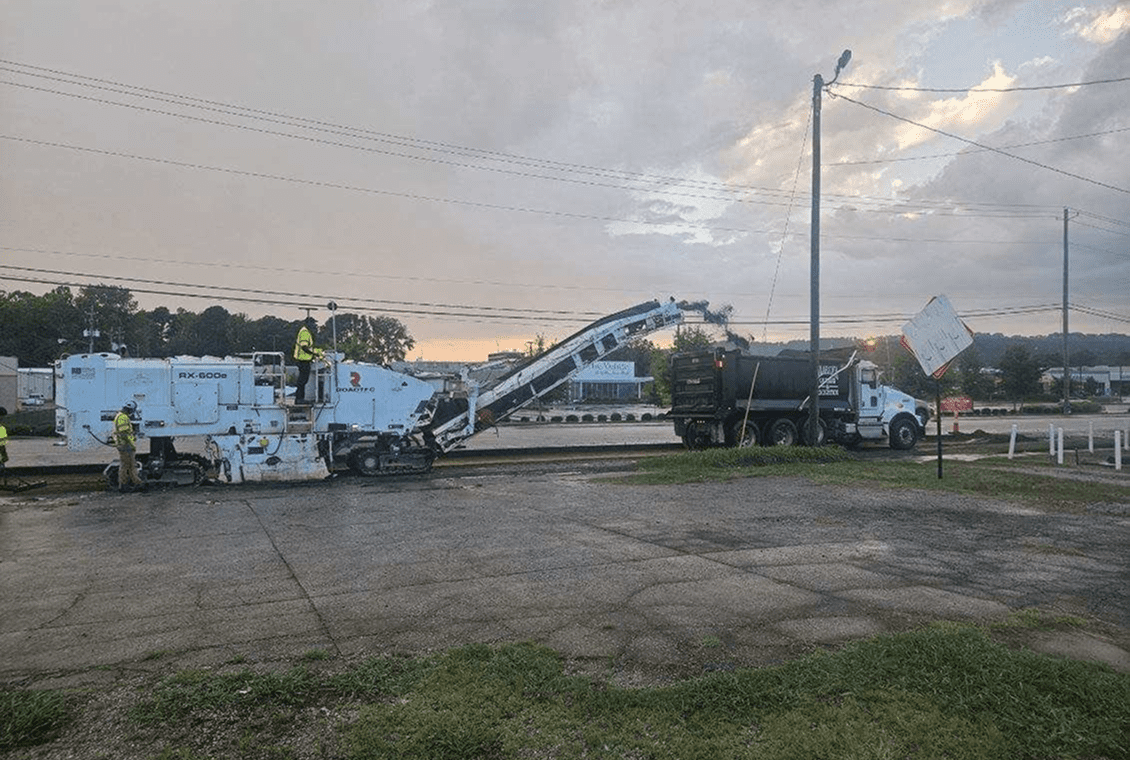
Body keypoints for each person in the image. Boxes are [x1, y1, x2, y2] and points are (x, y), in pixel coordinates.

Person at [113, 401, 144, 492]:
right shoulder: (123, 417)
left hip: (122, 444)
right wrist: (131, 444)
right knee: (128, 465)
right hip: (125, 445)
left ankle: (132, 483)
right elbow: (124, 433)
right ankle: (127, 485)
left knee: (128, 465)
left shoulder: (120, 415)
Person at [292, 317, 323, 404]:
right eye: (313, 324)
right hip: (303, 360)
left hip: (304, 360)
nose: (314, 325)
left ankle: (299, 398)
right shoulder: (305, 332)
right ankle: (299, 399)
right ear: (308, 324)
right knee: (302, 380)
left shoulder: (305, 331)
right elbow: (304, 347)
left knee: (303, 380)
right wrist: (314, 354)